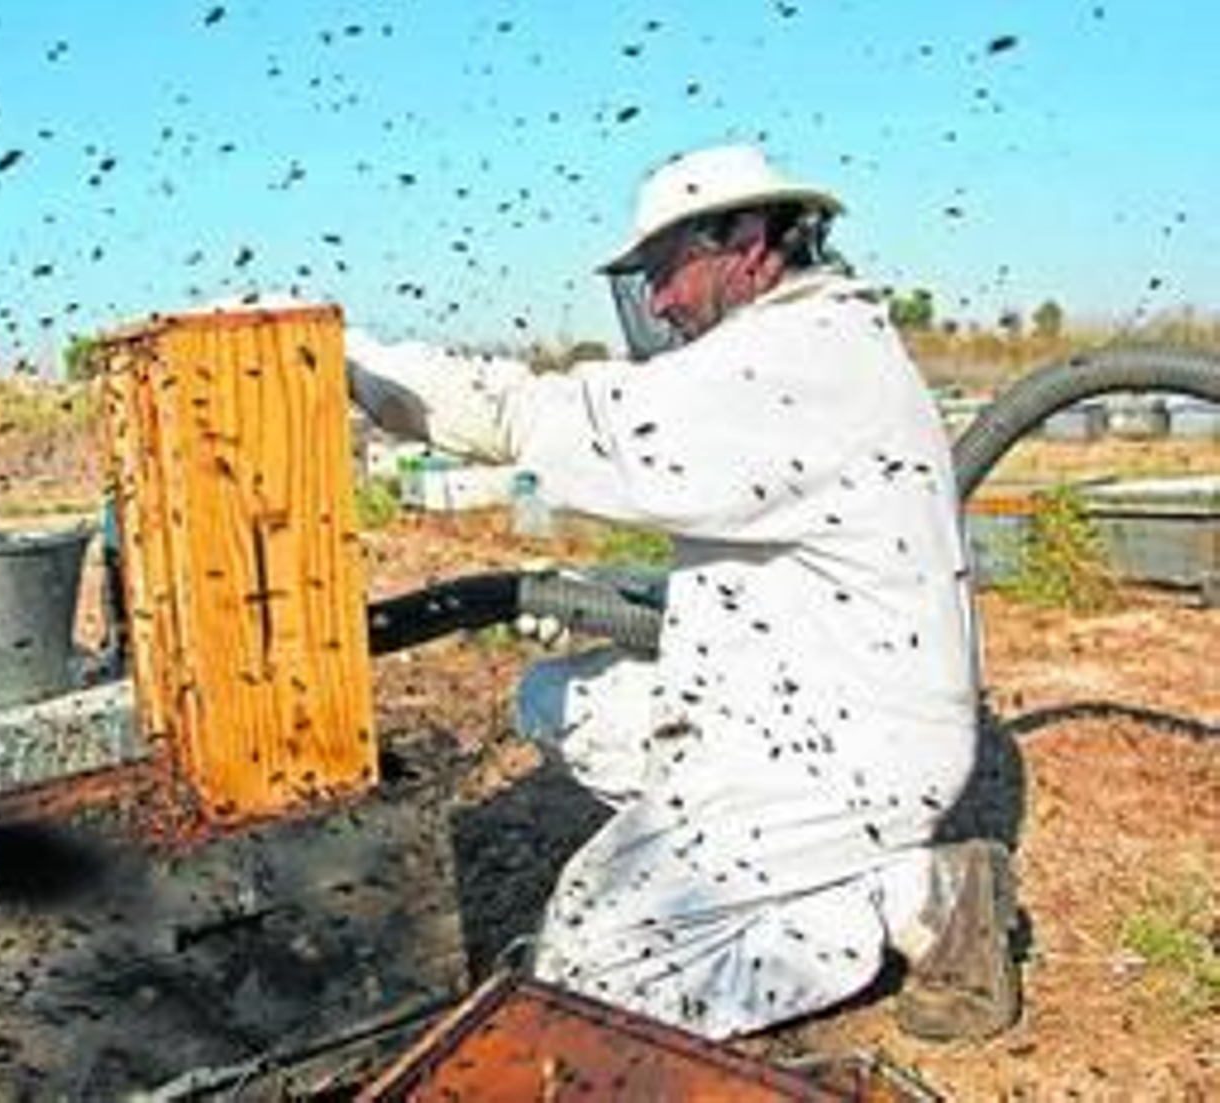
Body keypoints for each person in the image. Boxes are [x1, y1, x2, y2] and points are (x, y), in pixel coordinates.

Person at [345, 144, 1019, 1042]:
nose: (658, 301)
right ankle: (760, 871)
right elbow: (766, 559)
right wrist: (612, 593)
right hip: (795, 701)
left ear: (747, 242)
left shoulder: (801, 362)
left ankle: (907, 895)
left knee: (589, 966)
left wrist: (345, 357)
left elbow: (546, 418)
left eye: (665, 269)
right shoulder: (802, 343)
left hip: (849, 747)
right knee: (563, 703)